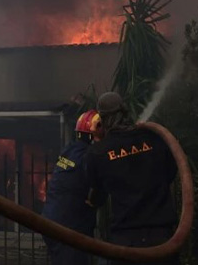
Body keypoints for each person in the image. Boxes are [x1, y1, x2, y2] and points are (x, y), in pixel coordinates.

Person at [86, 92, 179, 265]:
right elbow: (171, 172)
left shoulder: (97, 152)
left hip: (126, 242)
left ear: (102, 119)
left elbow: (98, 195)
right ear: (125, 112)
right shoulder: (154, 137)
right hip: (163, 239)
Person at [41, 109, 107, 265]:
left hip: (50, 221)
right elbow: (100, 191)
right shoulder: (89, 157)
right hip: (69, 229)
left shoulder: (69, 150)